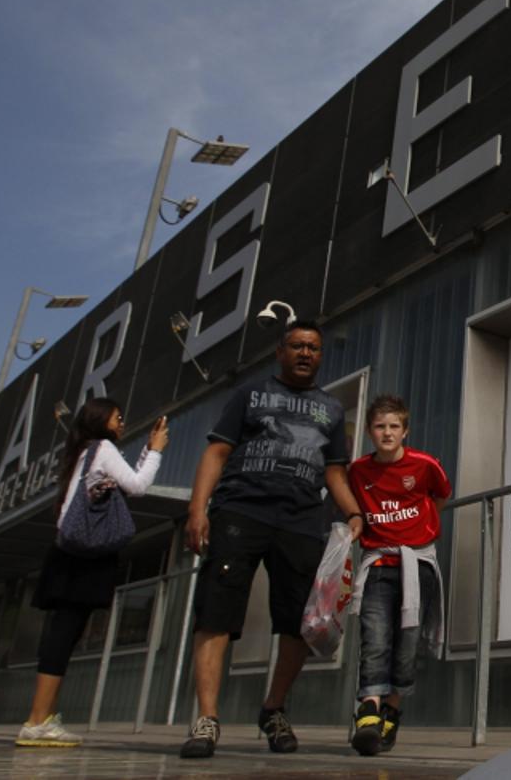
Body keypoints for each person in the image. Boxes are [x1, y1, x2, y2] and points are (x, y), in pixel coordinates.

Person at [180, 319, 364, 759]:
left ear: (321, 355)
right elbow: (217, 450)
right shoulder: (250, 394)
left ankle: (274, 708)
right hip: (240, 510)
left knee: (300, 622)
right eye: (297, 346)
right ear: (279, 351)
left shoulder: (332, 409)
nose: (305, 353)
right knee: (216, 613)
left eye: (314, 348)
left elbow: (334, 469)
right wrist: (196, 508)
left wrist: (355, 511)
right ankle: (207, 719)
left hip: (302, 519)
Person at [16, 399, 169, 747]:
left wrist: (146, 450)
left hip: (67, 554)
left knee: (64, 635)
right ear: (102, 421)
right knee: (64, 634)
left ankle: (43, 718)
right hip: (83, 558)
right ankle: (37, 721)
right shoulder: (103, 448)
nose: (122, 422)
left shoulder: (84, 452)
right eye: (118, 417)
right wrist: (156, 451)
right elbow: (138, 486)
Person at [346, 394, 450, 756]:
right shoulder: (358, 471)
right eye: (379, 426)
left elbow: (440, 496)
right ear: (369, 432)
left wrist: (421, 528)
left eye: (394, 426)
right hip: (377, 564)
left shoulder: (425, 465)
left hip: (415, 564)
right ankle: (369, 712)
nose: (387, 433)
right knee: (375, 636)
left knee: (407, 645)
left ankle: (392, 708)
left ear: (405, 430)